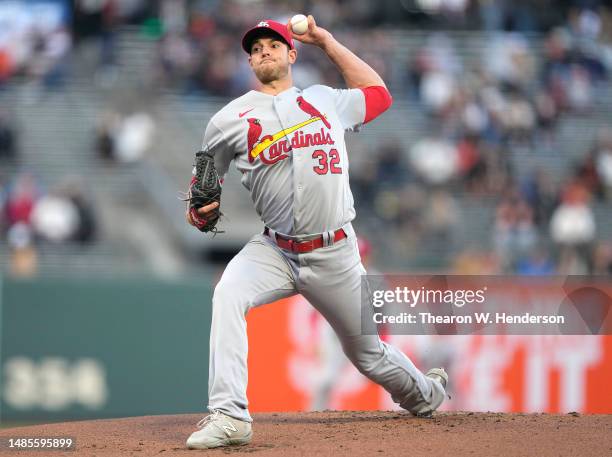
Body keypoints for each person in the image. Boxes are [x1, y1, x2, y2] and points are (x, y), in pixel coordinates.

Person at [184, 16, 449, 450]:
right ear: (250, 61)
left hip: (336, 252)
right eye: (255, 48)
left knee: (367, 355)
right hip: (275, 249)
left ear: (292, 54)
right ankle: (230, 415)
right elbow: (203, 185)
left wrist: (326, 42)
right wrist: (199, 210)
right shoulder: (226, 120)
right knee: (228, 293)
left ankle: (425, 394)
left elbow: (379, 96)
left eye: (273, 44)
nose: (264, 51)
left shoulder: (324, 100)